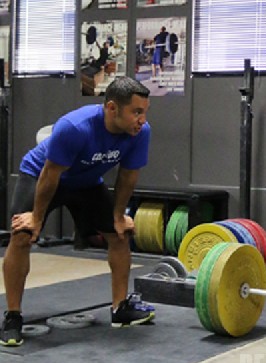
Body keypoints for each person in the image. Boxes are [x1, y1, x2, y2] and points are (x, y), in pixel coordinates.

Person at [0, 76, 154, 346]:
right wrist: (36, 218)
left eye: (144, 112)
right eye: (136, 112)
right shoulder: (75, 127)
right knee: (22, 234)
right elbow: (50, 174)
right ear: (112, 108)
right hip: (41, 175)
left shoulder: (140, 133)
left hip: (86, 183)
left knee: (119, 234)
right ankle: (13, 316)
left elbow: (128, 176)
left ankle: (120, 308)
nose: (142, 120)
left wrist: (118, 216)